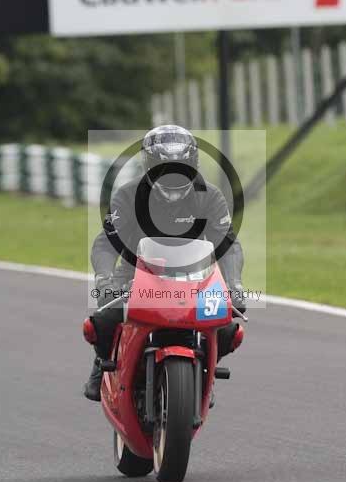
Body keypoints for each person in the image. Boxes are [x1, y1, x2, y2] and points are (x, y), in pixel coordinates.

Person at [84, 125, 246, 401]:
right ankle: (103, 362)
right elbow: (106, 243)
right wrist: (104, 279)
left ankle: (205, 371)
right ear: (148, 165)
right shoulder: (128, 195)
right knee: (102, 322)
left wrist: (235, 284)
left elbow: (229, 246)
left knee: (229, 329)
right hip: (135, 276)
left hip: (196, 278)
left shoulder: (210, 196)